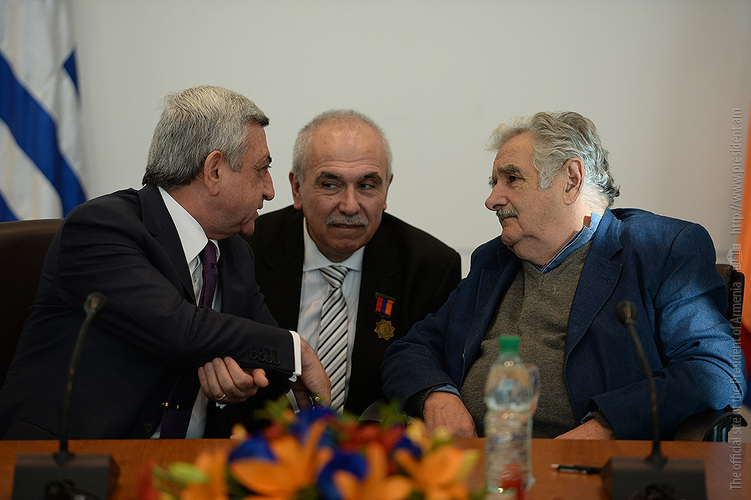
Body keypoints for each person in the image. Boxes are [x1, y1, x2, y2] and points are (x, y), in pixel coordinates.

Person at [381, 111, 746, 440]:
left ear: (571, 179)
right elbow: (412, 349)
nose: (492, 200)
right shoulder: (493, 261)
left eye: (512, 179)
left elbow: (716, 369)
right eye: (494, 183)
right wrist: (438, 396)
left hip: (589, 470)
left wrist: (606, 427)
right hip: (474, 464)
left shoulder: (659, 249)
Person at [0, 85, 330, 440]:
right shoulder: (101, 227)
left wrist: (243, 383)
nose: (270, 190)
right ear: (214, 171)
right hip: (71, 459)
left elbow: (264, 365)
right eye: (261, 170)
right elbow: (179, 328)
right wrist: (296, 351)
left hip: (188, 464)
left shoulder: (235, 253)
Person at [244, 110, 461, 416]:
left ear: (386, 189)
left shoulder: (430, 268)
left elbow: (426, 373)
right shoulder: (246, 251)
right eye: (330, 185)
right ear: (297, 188)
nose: (349, 206)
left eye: (367, 186)